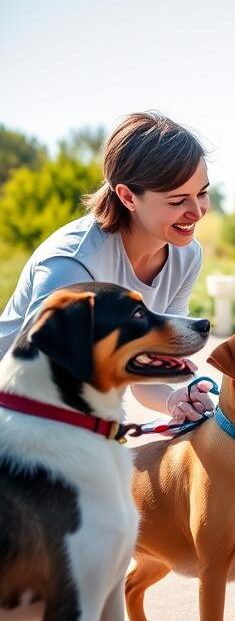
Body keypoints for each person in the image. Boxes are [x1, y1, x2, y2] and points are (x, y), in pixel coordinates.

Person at [0, 111, 214, 424]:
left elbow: (146, 365)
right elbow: (40, 382)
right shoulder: (71, 264)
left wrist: (173, 400)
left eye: (202, 192)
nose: (197, 211)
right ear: (128, 197)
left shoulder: (187, 255)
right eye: (177, 200)